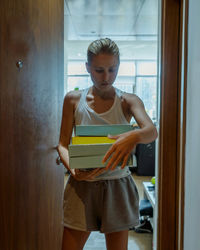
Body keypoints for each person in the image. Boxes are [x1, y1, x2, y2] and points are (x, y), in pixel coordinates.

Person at [58, 38, 158, 250]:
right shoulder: (73, 100)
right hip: (81, 186)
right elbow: (62, 145)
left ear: (119, 66)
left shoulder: (129, 100)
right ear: (87, 68)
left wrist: (133, 136)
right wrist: (73, 170)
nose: (106, 77)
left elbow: (151, 131)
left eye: (112, 70)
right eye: (99, 70)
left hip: (118, 186)